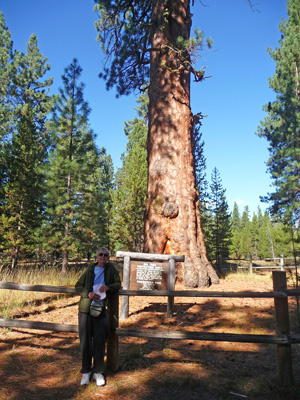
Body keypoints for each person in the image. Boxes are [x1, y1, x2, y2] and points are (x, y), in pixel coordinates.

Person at [75, 247, 121, 386]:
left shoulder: (111, 269)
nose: (103, 257)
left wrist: (108, 287)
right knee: (85, 341)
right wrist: (87, 293)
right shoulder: (90, 269)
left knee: (100, 341)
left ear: (108, 257)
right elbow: (78, 286)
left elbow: (118, 284)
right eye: (100, 254)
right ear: (96, 256)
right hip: (86, 309)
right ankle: (86, 371)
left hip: (102, 309)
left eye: (106, 255)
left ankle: (98, 371)